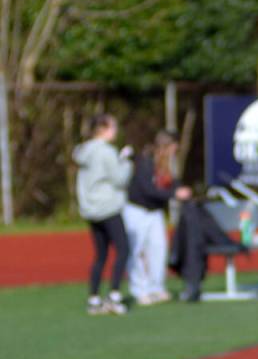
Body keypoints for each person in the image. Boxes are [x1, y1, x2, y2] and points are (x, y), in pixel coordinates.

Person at [123, 129, 192, 305]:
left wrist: (180, 189)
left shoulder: (168, 164)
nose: (175, 151)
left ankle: (157, 287)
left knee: (159, 248)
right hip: (137, 210)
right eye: (173, 147)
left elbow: (171, 182)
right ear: (166, 146)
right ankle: (140, 290)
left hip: (155, 212)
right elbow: (148, 189)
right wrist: (174, 194)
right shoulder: (145, 160)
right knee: (137, 250)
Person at [73, 113, 132, 315]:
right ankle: (114, 296)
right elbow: (119, 179)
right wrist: (126, 162)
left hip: (91, 209)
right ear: (104, 128)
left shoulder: (83, 151)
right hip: (108, 207)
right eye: (113, 128)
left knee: (101, 255)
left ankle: (94, 298)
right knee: (123, 250)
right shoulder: (107, 152)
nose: (116, 132)